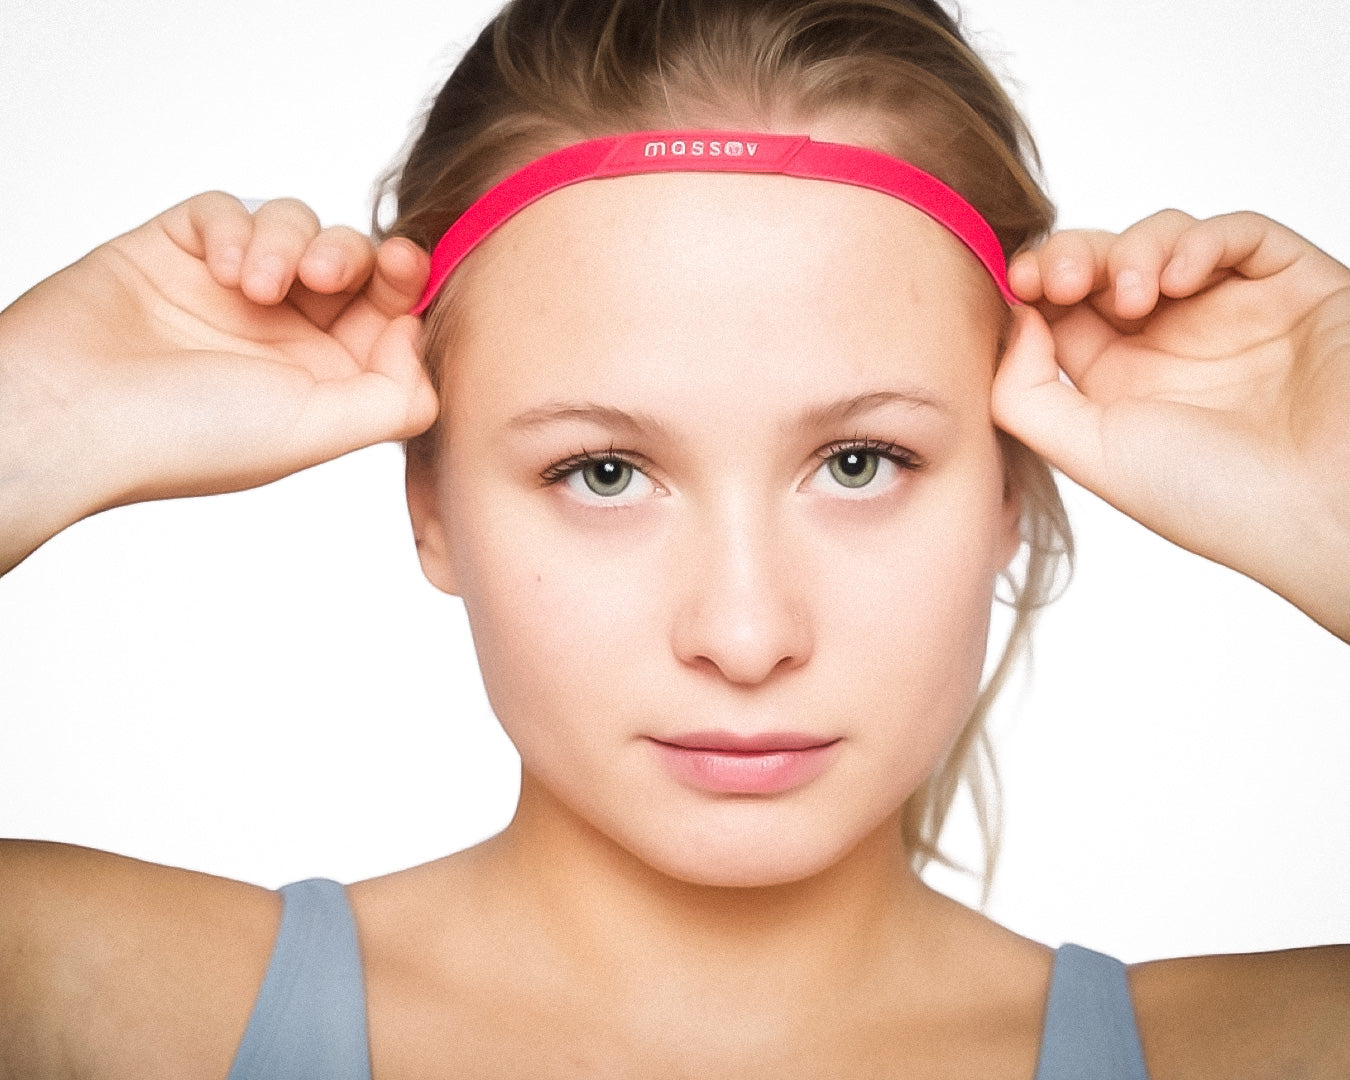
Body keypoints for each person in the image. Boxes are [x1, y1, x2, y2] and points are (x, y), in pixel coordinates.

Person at [1, 0, 1347, 1077]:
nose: (745, 636)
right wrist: (28, 419)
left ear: (1012, 485)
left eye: (858, 462)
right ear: (429, 502)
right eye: (602, 472)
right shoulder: (89, 1011)